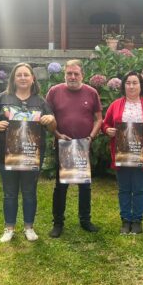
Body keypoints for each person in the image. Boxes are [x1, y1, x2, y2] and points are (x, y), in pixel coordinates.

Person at [0, 62, 56, 242]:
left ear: (33, 79)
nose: (23, 78)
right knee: (9, 192)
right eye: (19, 75)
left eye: (26, 75)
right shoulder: (2, 98)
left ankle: (29, 227)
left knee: (30, 191)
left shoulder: (40, 101)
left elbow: (53, 127)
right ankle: (9, 228)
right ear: (14, 79)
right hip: (6, 154)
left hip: (32, 155)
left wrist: (50, 119)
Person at [46, 59, 103, 237]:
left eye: (76, 73)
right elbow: (47, 117)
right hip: (63, 144)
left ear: (82, 75)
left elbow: (98, 119)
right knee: (60, 186)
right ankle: (58, 224)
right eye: (69, 73)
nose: (72, 76)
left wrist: (91, 137)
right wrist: (57, 134)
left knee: (85, 186)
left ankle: (85, 220)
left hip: (84, 145)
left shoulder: (92, 93)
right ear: (64, 74)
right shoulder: (54, 92)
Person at [102, 71, 143, 234]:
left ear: (141, 86)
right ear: (123, 86)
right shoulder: (116, 105)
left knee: (139, 188)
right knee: (124, 189)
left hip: (140, 153)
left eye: (135, 83)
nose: (131, 86)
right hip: (121, 153)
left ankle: (137, 220)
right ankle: (125, 220)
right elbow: (105, 124)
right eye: (128, 83)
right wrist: (108, 130)